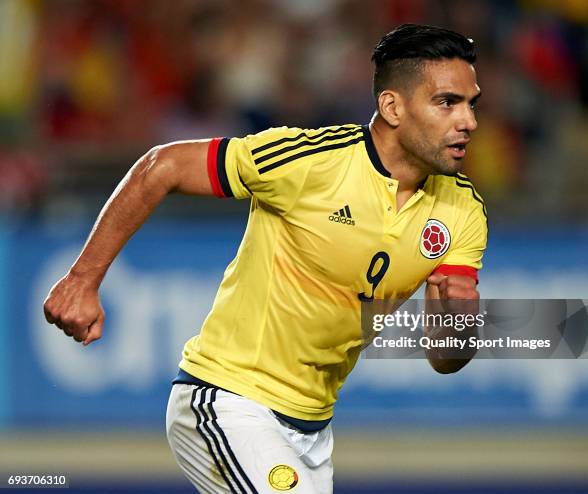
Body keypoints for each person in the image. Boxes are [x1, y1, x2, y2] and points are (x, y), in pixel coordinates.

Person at [43, 23, 487, 494]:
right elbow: (164, 165)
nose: (468, 122)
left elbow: (445, 357)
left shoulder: (463, 211)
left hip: (312, 431)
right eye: (447, 102)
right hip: (227, 400)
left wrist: (459, 319)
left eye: (471, 104)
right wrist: (82, 280)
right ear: (392, 106)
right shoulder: (312, 162)